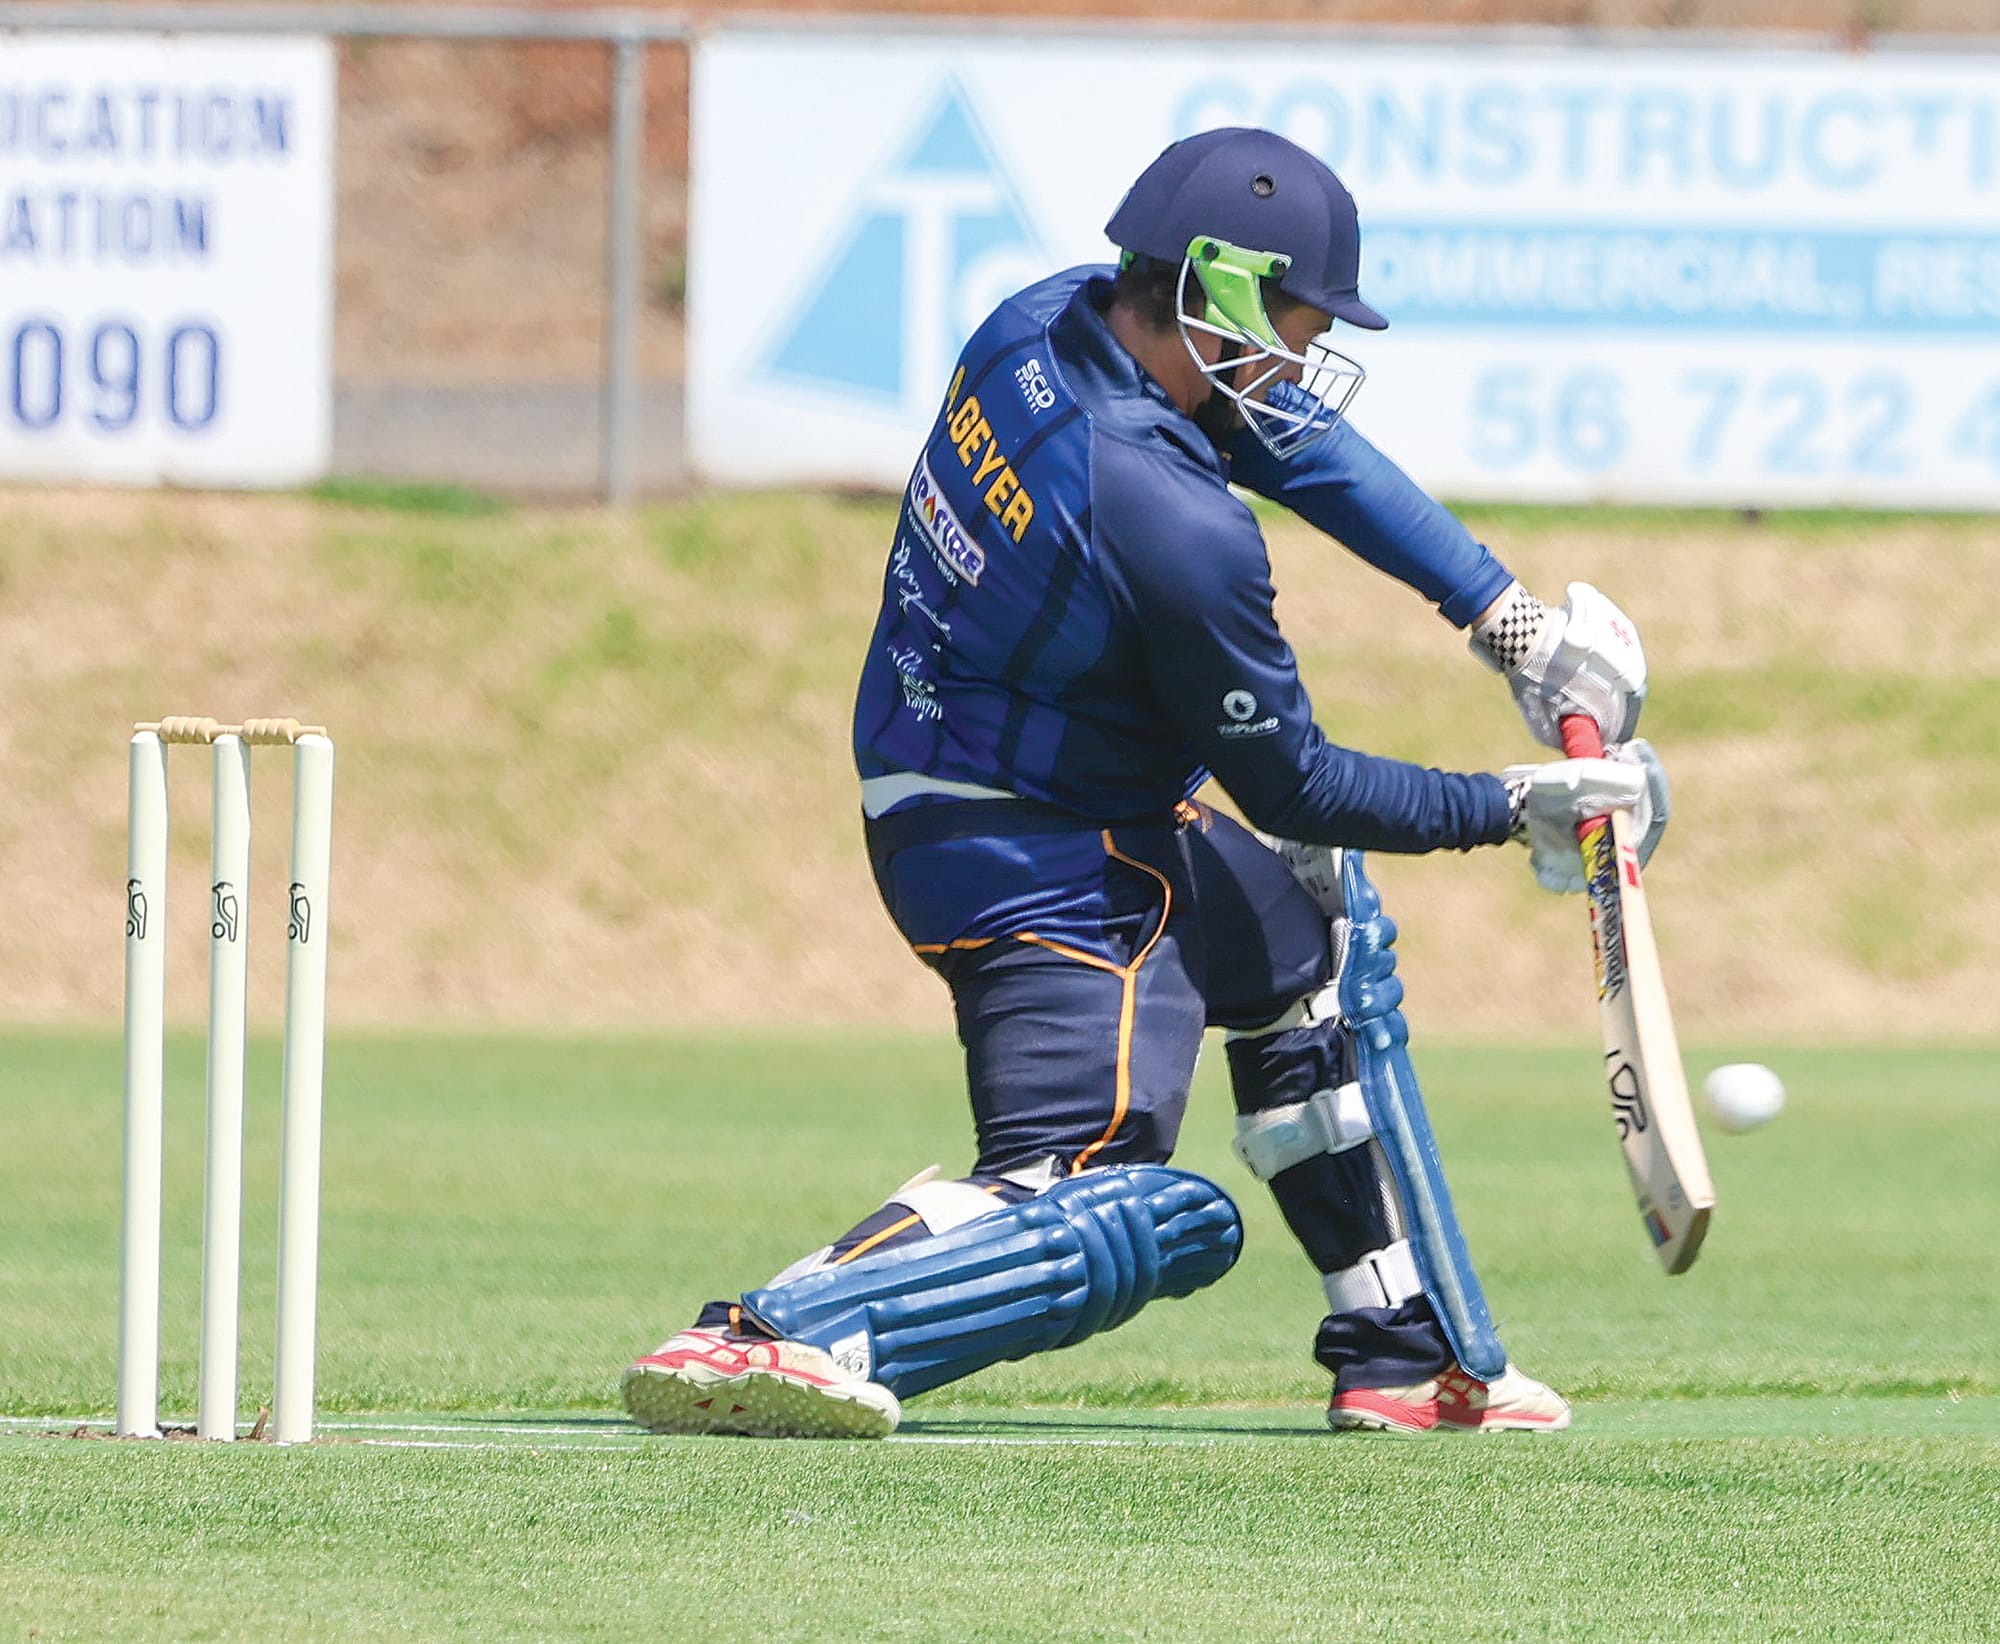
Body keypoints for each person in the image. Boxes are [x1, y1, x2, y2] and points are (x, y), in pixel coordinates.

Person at [622, 127, 1666, 1439]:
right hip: (1038, 856)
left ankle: (1401, 1353)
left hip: (982, 781)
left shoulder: (1046, 319)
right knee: (1105, 1200)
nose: (1300, 352)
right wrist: (1513, 810)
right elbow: (1290, 783)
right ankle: (769, 1331)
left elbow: (1293, 444)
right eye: (1292, 320)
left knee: (1309, 940)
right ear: (1219, 299)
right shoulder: (1167, 516)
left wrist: (1507, 623)